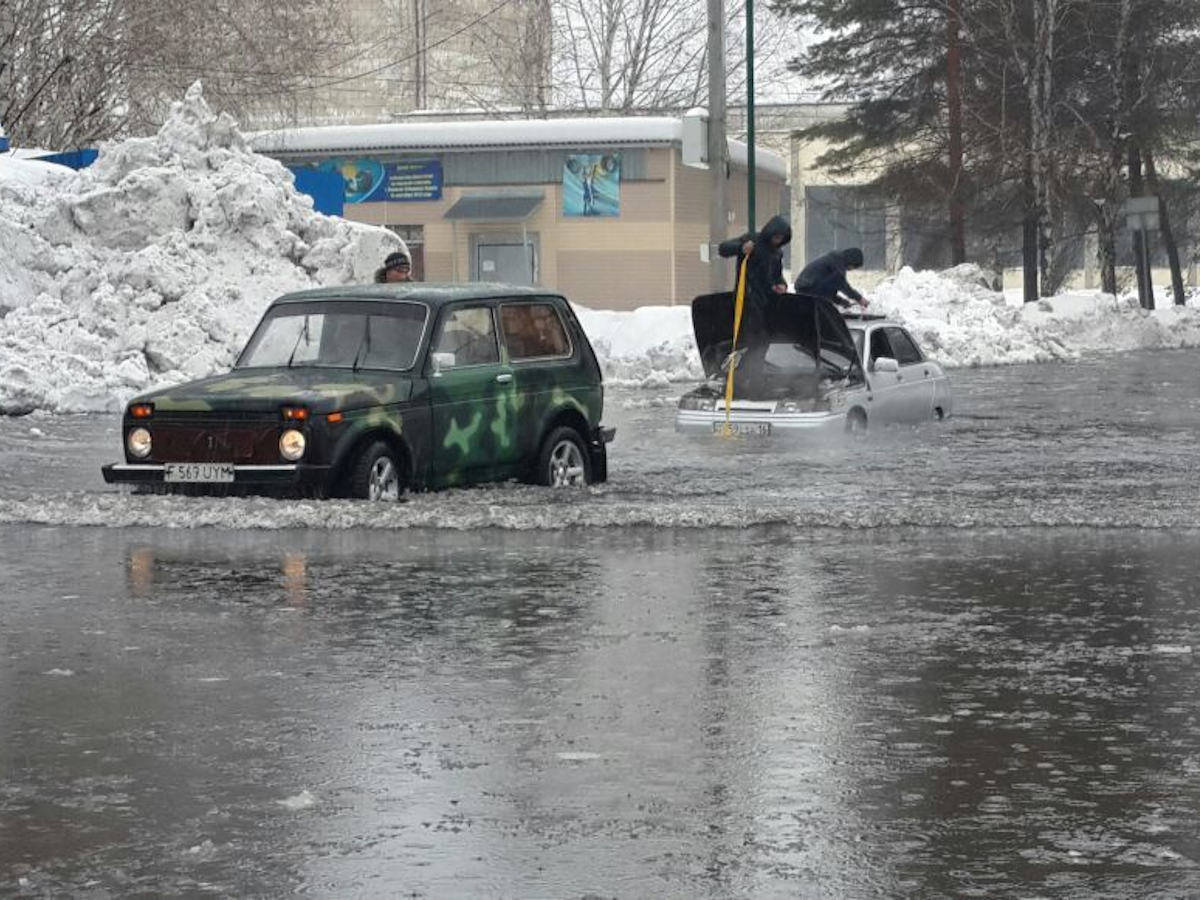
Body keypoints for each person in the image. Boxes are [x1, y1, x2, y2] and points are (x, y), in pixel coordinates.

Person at [716, 215, 792, 396]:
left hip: (766, 304)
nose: (777, 241)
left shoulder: (777, 253)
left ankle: (751, 381)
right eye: (776, 237)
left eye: (781, 238)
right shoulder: (753, 240)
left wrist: (781, 284)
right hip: (747, 302)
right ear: (770, 233)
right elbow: (723, 249)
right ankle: (743, 381)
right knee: (751, 343)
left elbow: (776, 276)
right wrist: (741, 248)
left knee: (761, 344)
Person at [794, 247, 869, 309]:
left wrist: (841, 301)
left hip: (806, 287)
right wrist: (859, 298)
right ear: (851, 261)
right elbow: (842, 284)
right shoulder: (837, 263)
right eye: (854, 267)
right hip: (808, 288)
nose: (851, 269)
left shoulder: (834, 260)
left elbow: (827, 288)